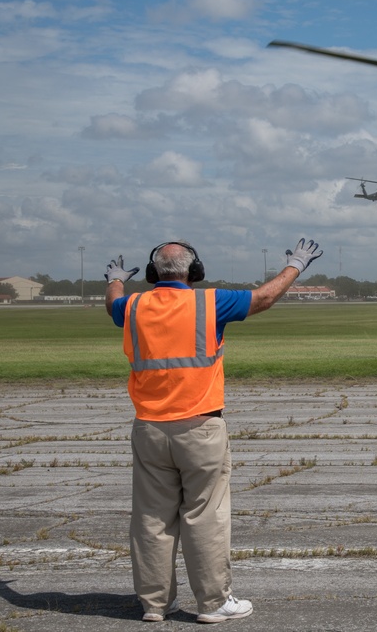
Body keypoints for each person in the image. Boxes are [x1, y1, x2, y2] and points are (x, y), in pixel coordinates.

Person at [104, 238, 323, 623]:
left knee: (152, 519)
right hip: (200, 427)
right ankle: (213, 603)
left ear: (154, 273)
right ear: (195, 271)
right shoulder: (209, 302)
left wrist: (117, 280)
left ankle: (155, 604)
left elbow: (112, 304)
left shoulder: (132, 305)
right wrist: (296, 265)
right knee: (205, 515)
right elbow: (263, 298)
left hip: (150, 429)